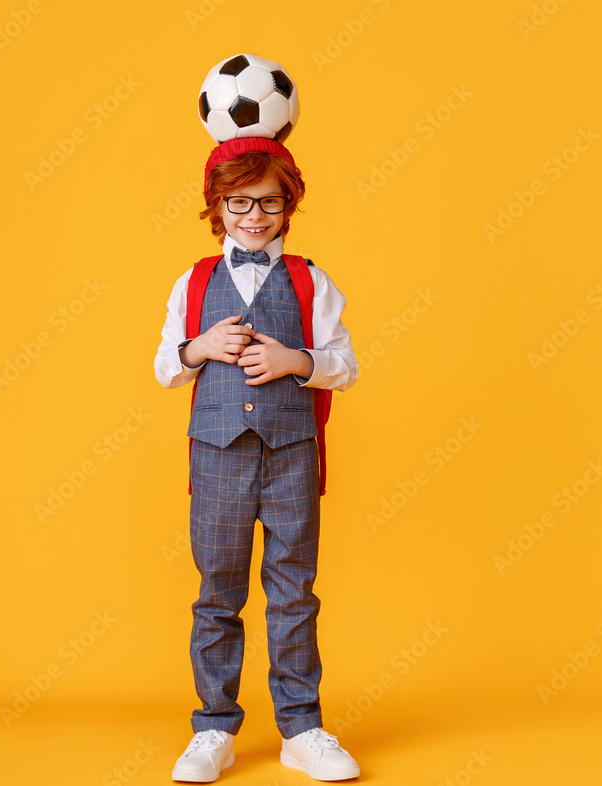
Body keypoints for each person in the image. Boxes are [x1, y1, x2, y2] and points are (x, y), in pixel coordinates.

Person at [153, 135, 361, 782]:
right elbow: (165, 368)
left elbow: (344, 367)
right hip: (217, 459)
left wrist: (296, 362)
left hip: (291, 455)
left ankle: (301, 728)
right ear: (217, 204)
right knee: (217, 594)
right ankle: (213, 727)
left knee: (294, 591)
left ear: (288, 204)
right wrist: (199, 346)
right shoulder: (193, 281)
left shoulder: (311, 280)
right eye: (238, 201)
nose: (254, 216)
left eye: (269, 202)